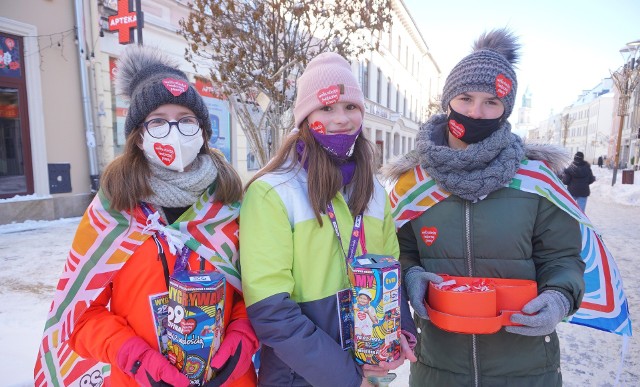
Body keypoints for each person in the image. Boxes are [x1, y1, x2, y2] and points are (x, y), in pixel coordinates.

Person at [34, 45, 258, 387]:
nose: (174, 131)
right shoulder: (113, 212)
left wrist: (243, 334)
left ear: (202, 132)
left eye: (186, 120)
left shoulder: (231, 204)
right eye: (158, 122)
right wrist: (134, 358)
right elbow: (79, 314)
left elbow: (258, 290)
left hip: (227, 378)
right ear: (138, 136)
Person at [383, 29, 586, 386]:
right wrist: (410, 276)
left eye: (491, 102)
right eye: (465, 98)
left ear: (505, 109)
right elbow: (398, 251)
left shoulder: (535, 180)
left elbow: (563, 259)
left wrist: (557, 298)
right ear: (448, 101)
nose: (476, 112)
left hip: (524, 367)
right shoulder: (412, 183)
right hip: (439, 367)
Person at [239, 52, 418, 387]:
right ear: (305, 117)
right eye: (327, 107)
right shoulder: (273, 192)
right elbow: (271, 312)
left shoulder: (374, 189)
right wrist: (346, 378)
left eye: (351, 107)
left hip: (368, 366)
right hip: (300, 376)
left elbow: (392, 265)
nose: (342, 119)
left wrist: (400, 328)